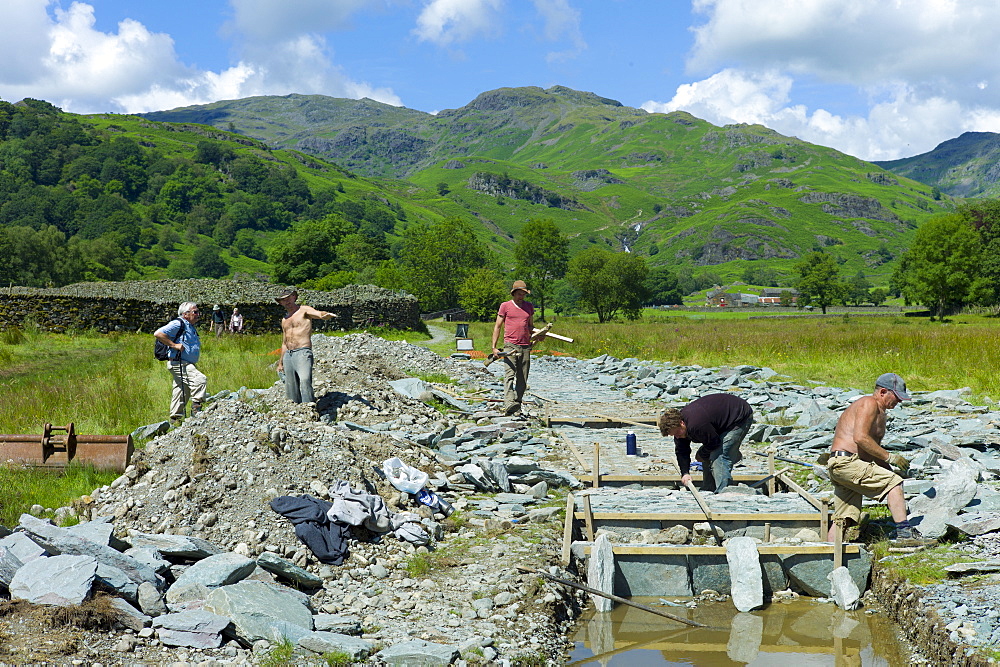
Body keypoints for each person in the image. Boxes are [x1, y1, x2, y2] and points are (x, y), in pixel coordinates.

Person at [826, 373, 932, 545]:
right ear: (883, 391)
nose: (898, 402)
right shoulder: (869, 403)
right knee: (894, 483)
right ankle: (905, 535)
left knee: (845, 515)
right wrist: (890, 458)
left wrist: (888, 468)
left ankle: (829, 550)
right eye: (896, 398)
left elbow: (869, 450)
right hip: (847, 463)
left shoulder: (880, 412)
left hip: (844, 465)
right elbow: (860, 438)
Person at [658, 393, 754, 493]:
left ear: (681, 423)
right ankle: (709, 488)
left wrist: (701, 454)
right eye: (674, 435)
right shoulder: (679, 429)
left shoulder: (696, 425)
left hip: (739, 417)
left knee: (719, 455)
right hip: (719, 422)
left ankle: (724, 491)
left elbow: (714, 443)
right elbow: (682, 451)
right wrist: (685, 473)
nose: (677, 437)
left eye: (677, 432)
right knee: (707, 454)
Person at [491, 280, 548, 417]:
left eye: (523, 294)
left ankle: (517, 405)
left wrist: (539, 335)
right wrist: (494, 347)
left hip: (525, 346)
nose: (521, 296)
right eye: (519, 293)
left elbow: (530, 326)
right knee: (509, 375)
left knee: (522, 377)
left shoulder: (528, 307)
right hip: (510, 345)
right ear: (514, 293)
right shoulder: (505, 306)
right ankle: (509, 402)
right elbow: (498, 326)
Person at [275, 287, 336, 404]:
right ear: (280, 302)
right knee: (290, 385)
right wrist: (280, 362)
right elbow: (284, 342)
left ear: (294, 297)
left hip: (303, 351)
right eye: (283, 300)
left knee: (305, 380)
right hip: (288, 354)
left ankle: (308, 407)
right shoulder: (285, 319)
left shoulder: (303, 310)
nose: (286, 301)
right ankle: (295, 410)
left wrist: (325, 315)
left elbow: (318, 314)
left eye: (288, 298)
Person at [154, 302, 207, 424]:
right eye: (195, 312)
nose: (198, 314)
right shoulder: (178, 323)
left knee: (182, 390)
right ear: (185, 314)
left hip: (185, 363)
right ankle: (197, 412)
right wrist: (174, 345)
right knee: (200, 379)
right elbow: (158, 333)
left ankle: (175, 419)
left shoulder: (189, 326)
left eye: (198, 311)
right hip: (180, 363)